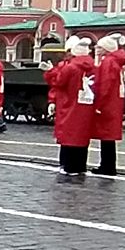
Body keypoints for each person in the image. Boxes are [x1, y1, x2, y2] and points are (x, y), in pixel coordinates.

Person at [45, 36, 96, 181]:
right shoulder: (93, 68)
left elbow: (59, 82)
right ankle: (80, 166)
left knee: (68, 136)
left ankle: (68, 166)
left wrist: (50, 71)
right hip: (86, 104)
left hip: (70, 104)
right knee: (82, 136)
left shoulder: (71, 67)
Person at [90, 34, 125, 175]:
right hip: (114, 102)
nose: (97, 49)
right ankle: (108, 165)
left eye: (100, 47)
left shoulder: (108, 62)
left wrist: (99, 104)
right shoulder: (115, 61)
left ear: (106, 48)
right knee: (109, 136)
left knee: (106, 136)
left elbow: (105, 85)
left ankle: (107, 166)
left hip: (107, 103)